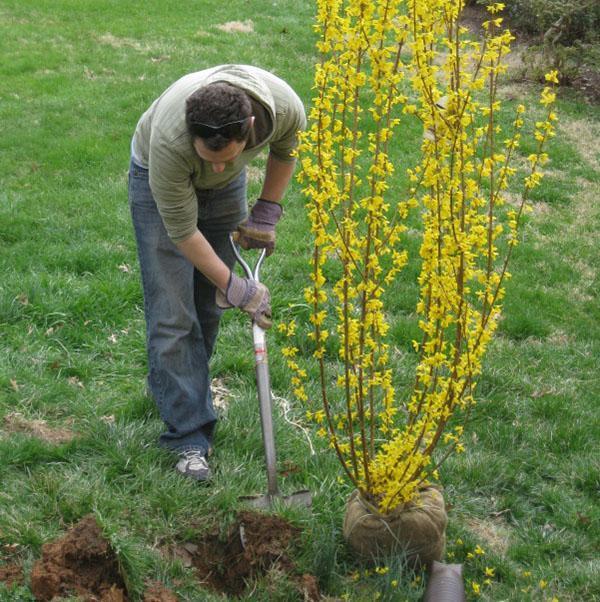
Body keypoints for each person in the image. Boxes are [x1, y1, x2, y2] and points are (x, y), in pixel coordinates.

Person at [128, 64, 306, 481]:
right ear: (192, 135)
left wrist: (267, 210)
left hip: (223, 196)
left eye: (230, 158)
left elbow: (286, 149)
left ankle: (182, 391)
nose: (222, 166)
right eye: (212, 157)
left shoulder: (283, 107)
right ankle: (187, 437)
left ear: (248, 128)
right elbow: (183, 233)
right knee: (174, 312)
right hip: (160, 185)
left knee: (207, 308)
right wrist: (236, 286)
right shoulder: (171, 142)